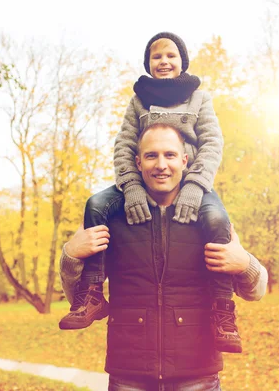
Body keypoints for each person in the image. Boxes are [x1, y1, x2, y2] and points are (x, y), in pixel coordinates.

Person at [59, 31, 240, 352]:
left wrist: (196, 186)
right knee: (96, 204)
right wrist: (130, 187)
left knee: (218, 218)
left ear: (182, 61)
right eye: (157, 56)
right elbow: (124, 144)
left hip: (192, 181)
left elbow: (212, 143)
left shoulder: (199, 97)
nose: (164, 61)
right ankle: (92, 295)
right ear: (148, 63)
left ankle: (222, 310)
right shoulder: (139, 99)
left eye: (171, 55)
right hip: (142, 183)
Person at [59, 124, 268, 390]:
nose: (161, 165)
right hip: (128, 375)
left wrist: (245, 264)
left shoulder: (209, 217)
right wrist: (71, 255)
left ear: (184, 160)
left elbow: (257, 291)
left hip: (198, 375)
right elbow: (77, 298)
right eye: (151, 155)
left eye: (169, 155)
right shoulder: (113, 217)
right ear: (137, 162)